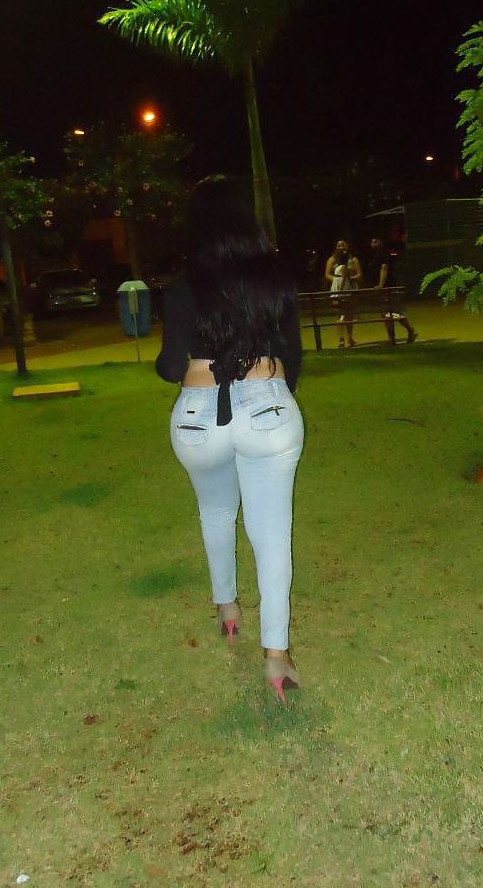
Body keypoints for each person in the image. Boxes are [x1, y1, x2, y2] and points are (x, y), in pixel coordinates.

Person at [155, 176, 304, 703]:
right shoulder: (275, 278)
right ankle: (276, 655)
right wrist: (265, 392)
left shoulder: (181, 287)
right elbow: (294, 357)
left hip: (199, 418)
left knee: (216, 512)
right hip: (268, 407)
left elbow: (169, 364)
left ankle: (227, 608)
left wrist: (195, 364)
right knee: (272, 533)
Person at [366, 236, 417, 344]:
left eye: (375, 241)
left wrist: (381, 285)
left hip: (389, 286)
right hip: (382, 288)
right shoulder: (375, 255)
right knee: (386, 314)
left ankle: (409, 330)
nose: (373, 244)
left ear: (381, 242)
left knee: (393, 312)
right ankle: (392, 338)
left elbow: (384, 268)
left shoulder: (384, 253)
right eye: (372, 242)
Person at [324, 238, 362, 348]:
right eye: (339, 245)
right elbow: (327, 274)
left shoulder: (353, 259)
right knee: (341, 314)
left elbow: (359, 274)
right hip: (338, 289)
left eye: (343, 245)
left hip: (350, 288)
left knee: (349, 315)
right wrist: (338, 280)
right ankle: (341, 339)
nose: (341, 247)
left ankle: (350, 337)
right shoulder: (332, 259)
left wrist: (349, 278)